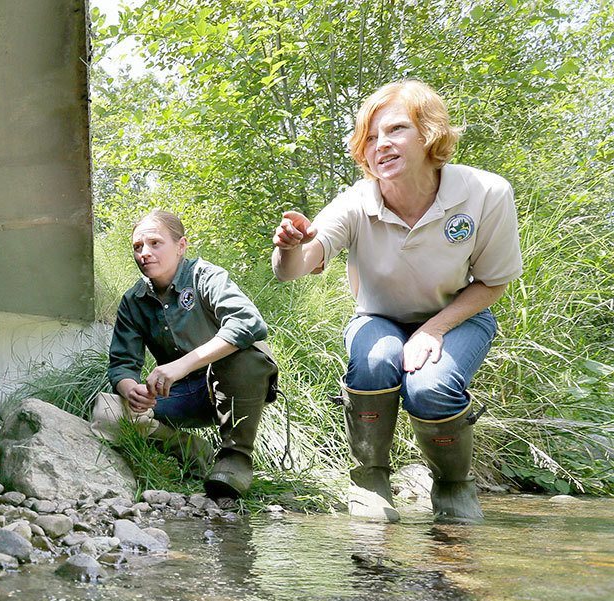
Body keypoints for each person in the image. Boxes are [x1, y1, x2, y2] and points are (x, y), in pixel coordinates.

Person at [272, 80, 522, 524]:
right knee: (376, 359)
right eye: (369, 137)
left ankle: (452, 485)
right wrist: (290, 246)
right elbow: (293, 268)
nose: (379, 144)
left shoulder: (486, 193)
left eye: (395, 130)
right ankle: (369, 479)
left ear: (429, 134)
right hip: (378, 317)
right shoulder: (355, 203)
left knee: (431, 386)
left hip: (459, 316)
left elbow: (493, 282)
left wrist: (432, 330)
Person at [95, 209, 278, 502]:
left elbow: (249, 323)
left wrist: (180, 365)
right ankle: (193, 452)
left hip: (234, 387)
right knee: (108, 413)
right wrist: (133, 391)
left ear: (181, 247)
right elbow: (121, 365)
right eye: (138, 247)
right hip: (179, 396)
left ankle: (235, 458)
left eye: (155, 243)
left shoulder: (205, 276)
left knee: (247, 355)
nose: (145, 253)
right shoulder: (133, 301)